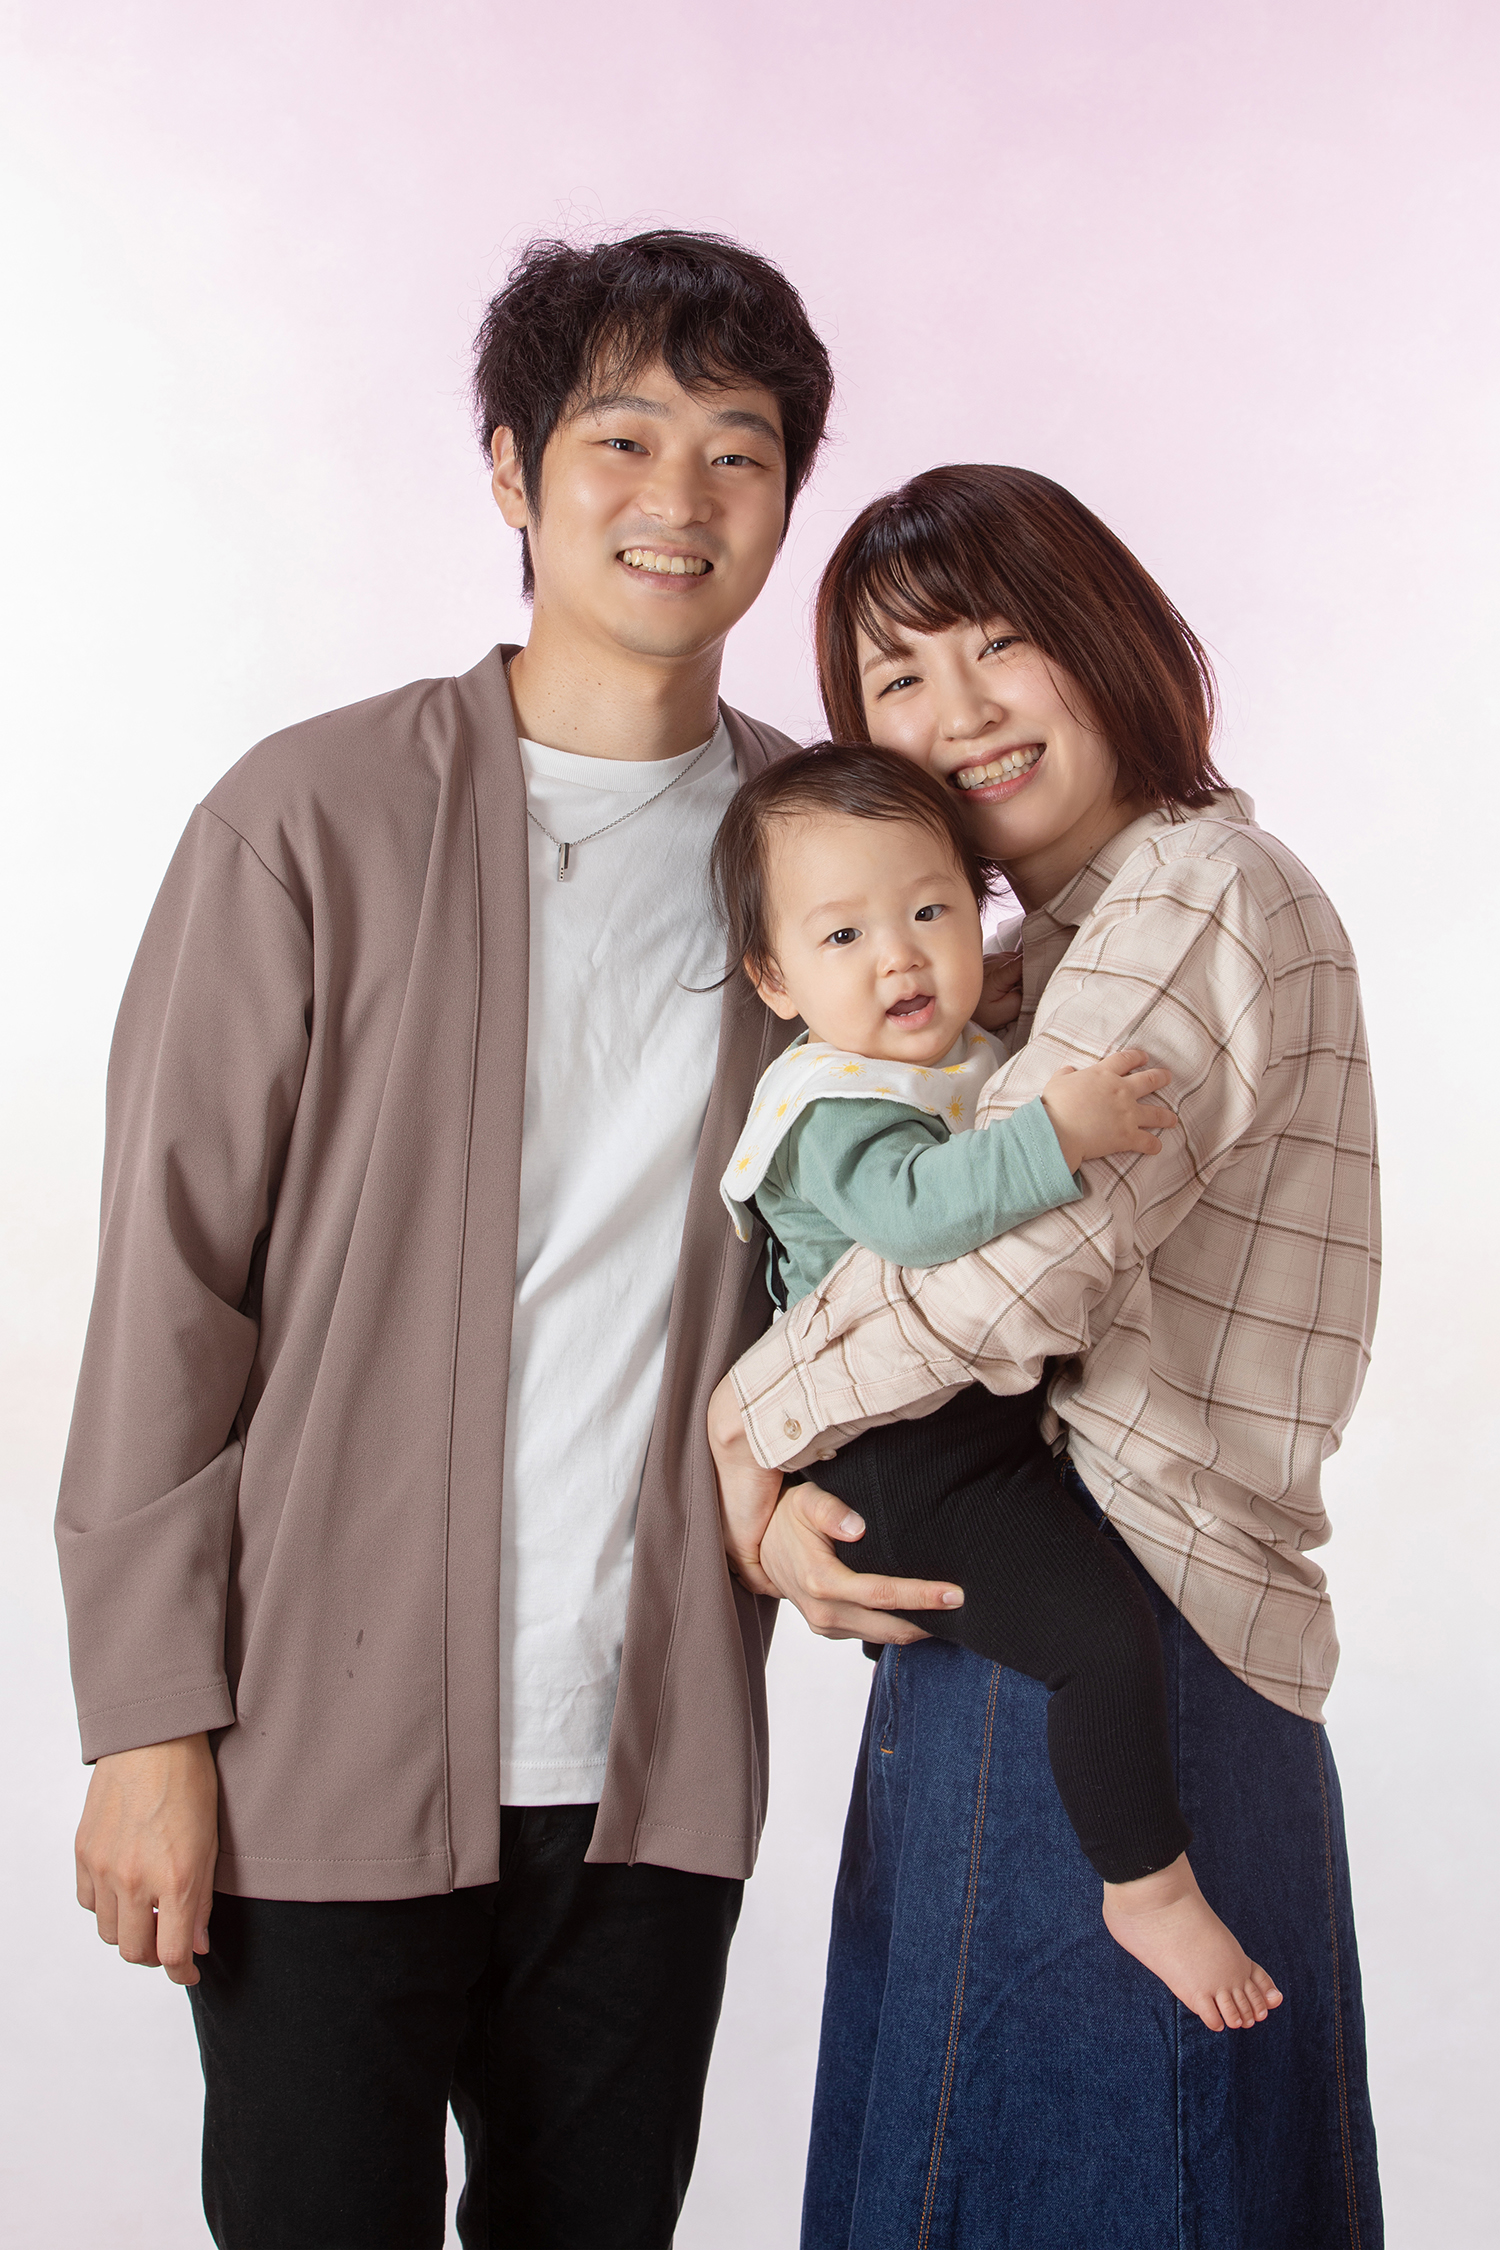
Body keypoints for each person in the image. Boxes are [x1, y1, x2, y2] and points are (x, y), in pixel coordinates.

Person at [57, 228, 832, 2250]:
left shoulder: (829, 858)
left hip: (653, 1756)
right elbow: (167, 1292)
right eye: (622, 437)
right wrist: (146, 1722)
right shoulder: (307, 819)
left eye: (738, 452)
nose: (679, 498)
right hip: (317, 1741)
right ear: (512, 471)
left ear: (785, 502)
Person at [708, 466, 1383, 2246]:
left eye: (999, 643)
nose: (957, 712)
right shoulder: (1026, 960)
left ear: (1109, 639)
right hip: (1045, 1602)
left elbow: (1018, 1273)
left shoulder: (1190, 896)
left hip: (1134, 1600)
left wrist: (747, 1430)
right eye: (899, 676)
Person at [711, 740, 1283, 2033]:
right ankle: (1146, 1886)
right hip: (903, 1461)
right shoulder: (828, 1105)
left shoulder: (941, 1041)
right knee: (1099, 1642)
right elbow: (919, 1214)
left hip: (964, 1430)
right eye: (844, 935)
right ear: (774, 977)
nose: (899, 959)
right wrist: (1056, 1135)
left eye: (930, 912)